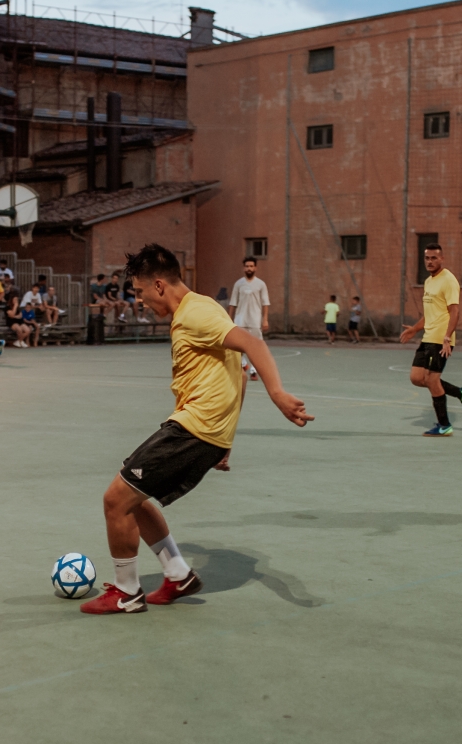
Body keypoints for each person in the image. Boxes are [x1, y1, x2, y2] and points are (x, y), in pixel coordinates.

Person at [80, 244, 314, 615]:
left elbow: (252, 344)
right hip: (204, 431)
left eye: (140, 292)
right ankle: (178, 575)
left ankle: (126, 593)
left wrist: (277, 394)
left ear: (159, 285)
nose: (140, 300)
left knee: (115, 500)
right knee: (132, 496)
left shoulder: (195, 313)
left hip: (193, 429)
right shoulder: (203, 308)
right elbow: (238, 372)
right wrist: (226, 439)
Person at [399, 242, 462, 436]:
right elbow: (430, 313)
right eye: (427, 258)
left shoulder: (448, 280)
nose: (430, 261)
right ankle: (461, 393)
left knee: (432, 380)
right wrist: (415, 329)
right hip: (428, 337)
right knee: (417, 378)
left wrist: (447, 337)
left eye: (434, 258)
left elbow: (455, 311)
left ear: (442, 259)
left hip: (441, 339)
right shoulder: (429, 281)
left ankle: (444, 425)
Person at [227, 256, 270, 379]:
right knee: (236, 347)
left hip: (255, 321)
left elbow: (265, 303)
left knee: (257, 347)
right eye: (247, 266)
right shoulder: (238, 284)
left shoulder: (261, 284)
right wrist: (229, 319)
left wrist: (265, 319)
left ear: (255, 268)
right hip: (240, 320)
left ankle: (253, 370)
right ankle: (244, 364)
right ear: (243, 268)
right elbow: (233, 303)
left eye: (251, 266)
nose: (249, 268)